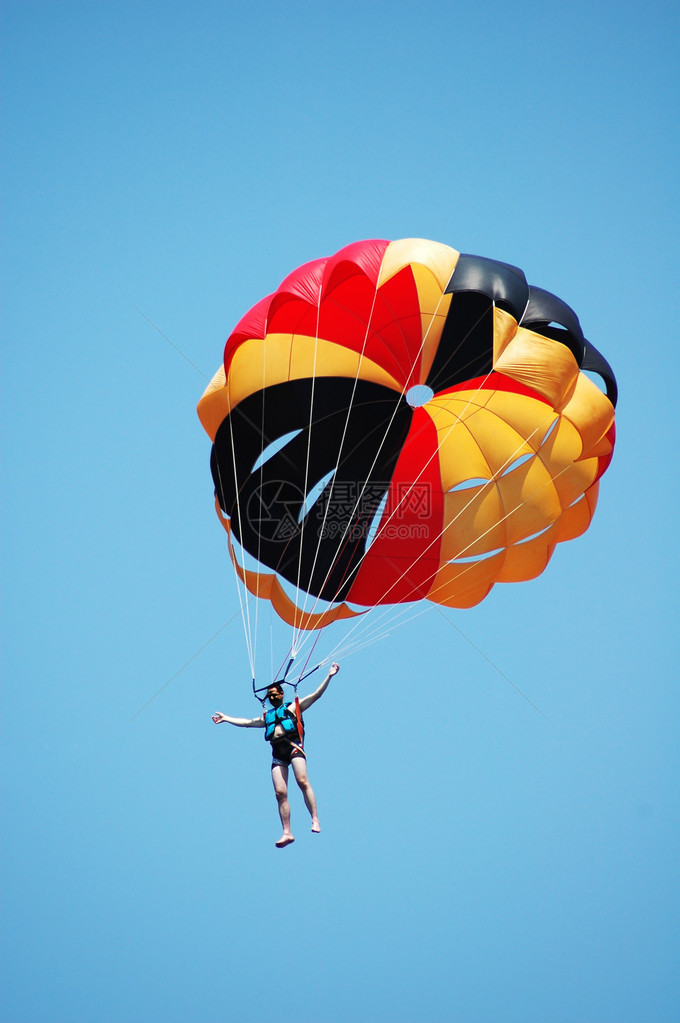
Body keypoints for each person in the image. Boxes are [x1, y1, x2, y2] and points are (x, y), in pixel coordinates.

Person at [212, 663, 340, 848]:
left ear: (281, 694)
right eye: (269, 694)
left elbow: (316, 695)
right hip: (277, 753)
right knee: (280, 793)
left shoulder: (293, 708)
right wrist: (226, 718)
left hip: (294, 747)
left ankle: (315, 819)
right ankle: (286, 832)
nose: (271, 696)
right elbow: (247, 722)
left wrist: (329, 676)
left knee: (302, 781)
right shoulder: (267, 717)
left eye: (274, 693)